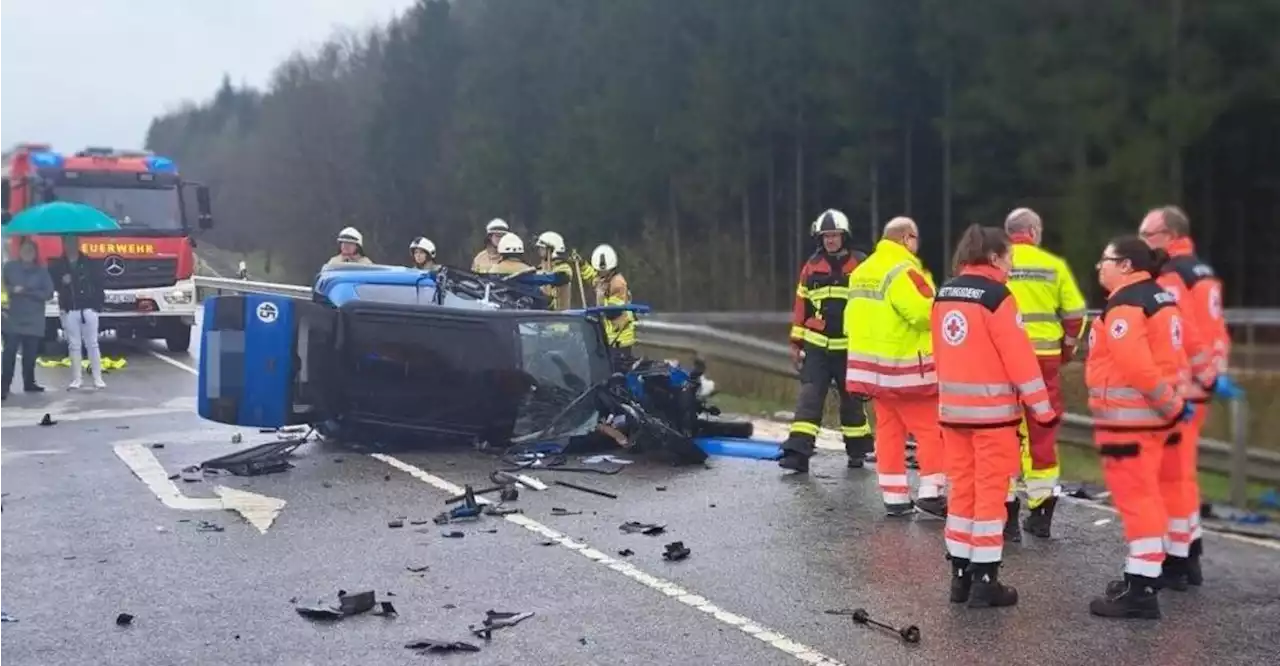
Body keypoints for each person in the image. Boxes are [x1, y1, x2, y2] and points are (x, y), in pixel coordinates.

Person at [933, 225, 1057, 609]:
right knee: (990, 496)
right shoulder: (998, 297)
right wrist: (1042, 408)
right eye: (1008, 259)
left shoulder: (944, 293)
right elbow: (1019, 360)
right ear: (993, 258)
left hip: (953, 415)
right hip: (993, 418)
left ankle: (960, 578)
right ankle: (986, 580)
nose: (1010, 266)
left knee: (961, 492)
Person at [1086, 236, 1191, 619]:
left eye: (1106, 259)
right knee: (1151, 496)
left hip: (1129, 422)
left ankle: (1142, 590)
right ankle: (1140, 574)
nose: (1101, 266)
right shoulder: (1160, 297)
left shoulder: (1127, 304)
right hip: (1153, 421)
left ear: (1126, 265)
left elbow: (1136, 366)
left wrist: (1170, 405)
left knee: (1138, 501)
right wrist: (1173, 409)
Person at [1139, 205, 1239, 589]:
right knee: (1183, 470)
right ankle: (1190, 548)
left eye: (1148, 236)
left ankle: (1177, 559)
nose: (1145, 243)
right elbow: (1215, 329)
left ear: (1167, 234)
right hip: (1205, 381)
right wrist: (1214, 373)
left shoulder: (1171, 275)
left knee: (1171, 475)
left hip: (1184, 385)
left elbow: (1178, 330)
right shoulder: (1202, 270)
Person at [844, 216, 945, 516]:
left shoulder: (861, 271)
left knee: (888, 431)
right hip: (906, 370)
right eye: (915, 240)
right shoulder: (905, 271)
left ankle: (895, 497)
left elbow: (850, 319)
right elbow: (925, 313)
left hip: (872, 371)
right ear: (906, 238)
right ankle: (932, 492)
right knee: (931, 430)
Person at [1002, 208, 1088, 540]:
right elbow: (1076, 314)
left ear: (1009, 233)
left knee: (1003, 429)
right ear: (1034, 231)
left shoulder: (998, 262)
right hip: (1045, 358)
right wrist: (1067, 348)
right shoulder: (1054, 266)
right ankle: (1041, 512)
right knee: (1042, 428)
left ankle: (1006, 512)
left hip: (1005, 360)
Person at [778, 209, 874, 472]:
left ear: (845, 237)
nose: (831, 240)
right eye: (826, 236)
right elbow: (801, 307)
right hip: (817, 347)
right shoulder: (811, 267)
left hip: (850, 348)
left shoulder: (862, 264)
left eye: (835, 235)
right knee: (809, 398)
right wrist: (795, 343)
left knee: (852, 401)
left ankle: (858, 451)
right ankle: (797, 455)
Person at [48, 235, 106, 390]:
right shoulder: (58, 265)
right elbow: (52, 286)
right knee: (74, 345)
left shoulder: (88, 262)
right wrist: (62, 282)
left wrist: (97, 306)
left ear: (78, 243)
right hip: (70, 308)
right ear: (63, 244)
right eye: (68, 242)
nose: (71, 245)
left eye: (74, 242)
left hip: (89, 308)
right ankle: (76, 379)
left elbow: (99, 283)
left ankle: (97, 378)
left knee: (92, 344)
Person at [1, 237, 55, 400]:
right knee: (9, 353)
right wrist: (12, 290)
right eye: (25, 250)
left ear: (35, 253)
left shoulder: (42, 271)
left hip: (34, 318)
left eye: (30, 251)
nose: (27, 253)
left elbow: (48, 293)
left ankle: (29, 382)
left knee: (30, 354)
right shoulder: (9, 268)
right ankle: (4, 385)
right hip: (13, 317)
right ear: (20, 251)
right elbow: (2, 287)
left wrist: (27, 292)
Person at [590, 243, 635, 366]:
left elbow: (612, 312)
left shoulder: (618, 284)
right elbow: (592, 277)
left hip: (620, 338)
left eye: (602, 271)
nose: (599, 273)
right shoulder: (606, 280)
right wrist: (582, 265)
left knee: (619, 374)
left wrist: (600, 297)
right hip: (612, 338)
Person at [534, 231, 577, 310]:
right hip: (542, 316)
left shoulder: (563, 267)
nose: (539, 250)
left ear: (552, 249)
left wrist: (538, 278)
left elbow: (561, 278)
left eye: (542, 248)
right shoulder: (541, 267)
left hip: (559, 317)